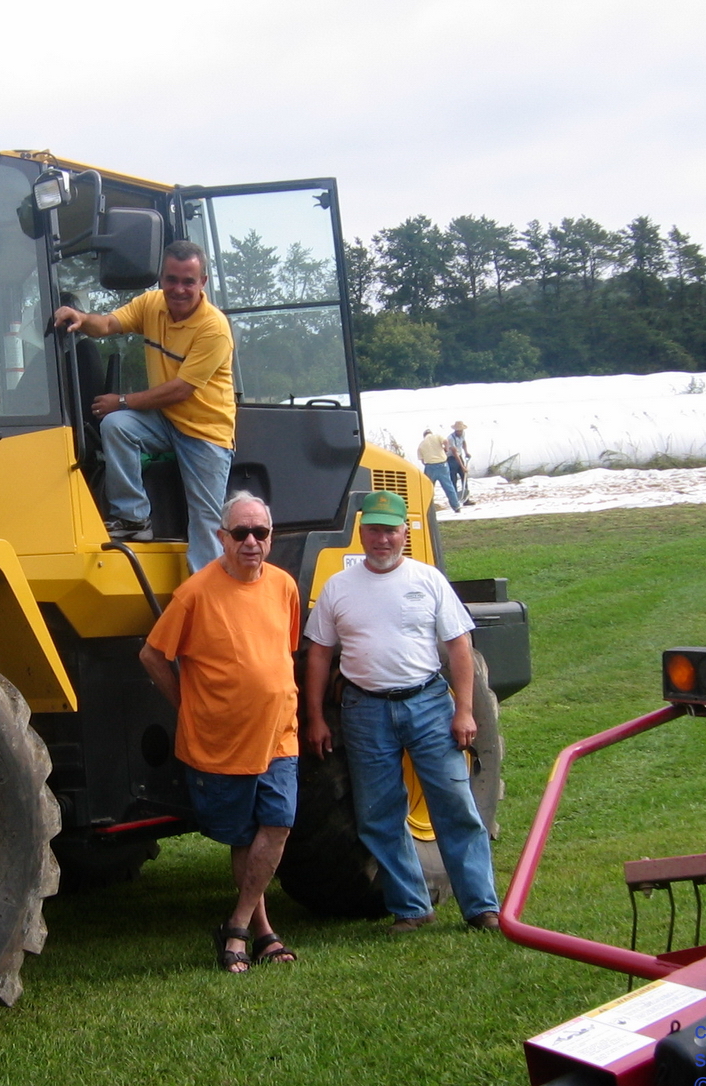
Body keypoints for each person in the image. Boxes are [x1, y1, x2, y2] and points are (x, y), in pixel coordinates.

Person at [302, 491, 500, 933]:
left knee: (455, 804)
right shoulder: (338, 587)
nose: (382, 539)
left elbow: (459, 647)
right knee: (378, 814)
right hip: (364, 710)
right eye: (374, 530)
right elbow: (319, 654)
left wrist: (465, 711)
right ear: (362, 533)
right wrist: (315, 717)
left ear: (404, 533)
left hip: (428, 705)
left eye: (390, 531)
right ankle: (411, 908)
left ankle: (481, 907)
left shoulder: (428, 580)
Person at [140, 492, 301, 971]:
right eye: (241, 533)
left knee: (279, 824)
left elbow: (284, 652)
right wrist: (187, 705)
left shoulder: (284, 586)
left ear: (271, 537)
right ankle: (263, 932)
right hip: (222, 743)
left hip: (280, 735)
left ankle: (237, 925)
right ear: (222, 537)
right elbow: (152, 655)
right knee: (244, 836)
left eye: (260, 533)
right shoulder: (195, 594)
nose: (251, 542)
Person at [53, 240, 234, 573]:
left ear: (203, 282)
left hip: (205, 431)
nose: (179, 289)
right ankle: (134, 518)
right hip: (166, 422)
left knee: (206, 520)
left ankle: (203, 592)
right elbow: (107, 325)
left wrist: (121, 401)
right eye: (171, 279)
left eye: (188, 281)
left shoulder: (214, 327)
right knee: (116, 425)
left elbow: (180, 390)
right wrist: (80, 317)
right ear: (161, 278)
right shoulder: (152, 305)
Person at [416, 428, 461, 513]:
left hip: (430, 467)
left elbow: (422, 461)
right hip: (442, 465)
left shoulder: (421, 444)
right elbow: (446, 441)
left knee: (428, 489)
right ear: (431, 433)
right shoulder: (437, 436)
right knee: (448, 486)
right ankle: (456, 507)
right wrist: (446, 449)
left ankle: (428, 509)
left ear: (424, 436)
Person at [446, 421, 472, 506]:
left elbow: (463, 442)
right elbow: (455, 453)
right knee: (453, 480)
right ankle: (455, 501)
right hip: (451, 459)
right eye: (458, 430)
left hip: (459, 456)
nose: (460, 432)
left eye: (461, 430)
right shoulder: (450, 438)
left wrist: (466, 452)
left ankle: (466, 499)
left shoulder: (462, 434)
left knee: (464, 477)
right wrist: (462, 466)